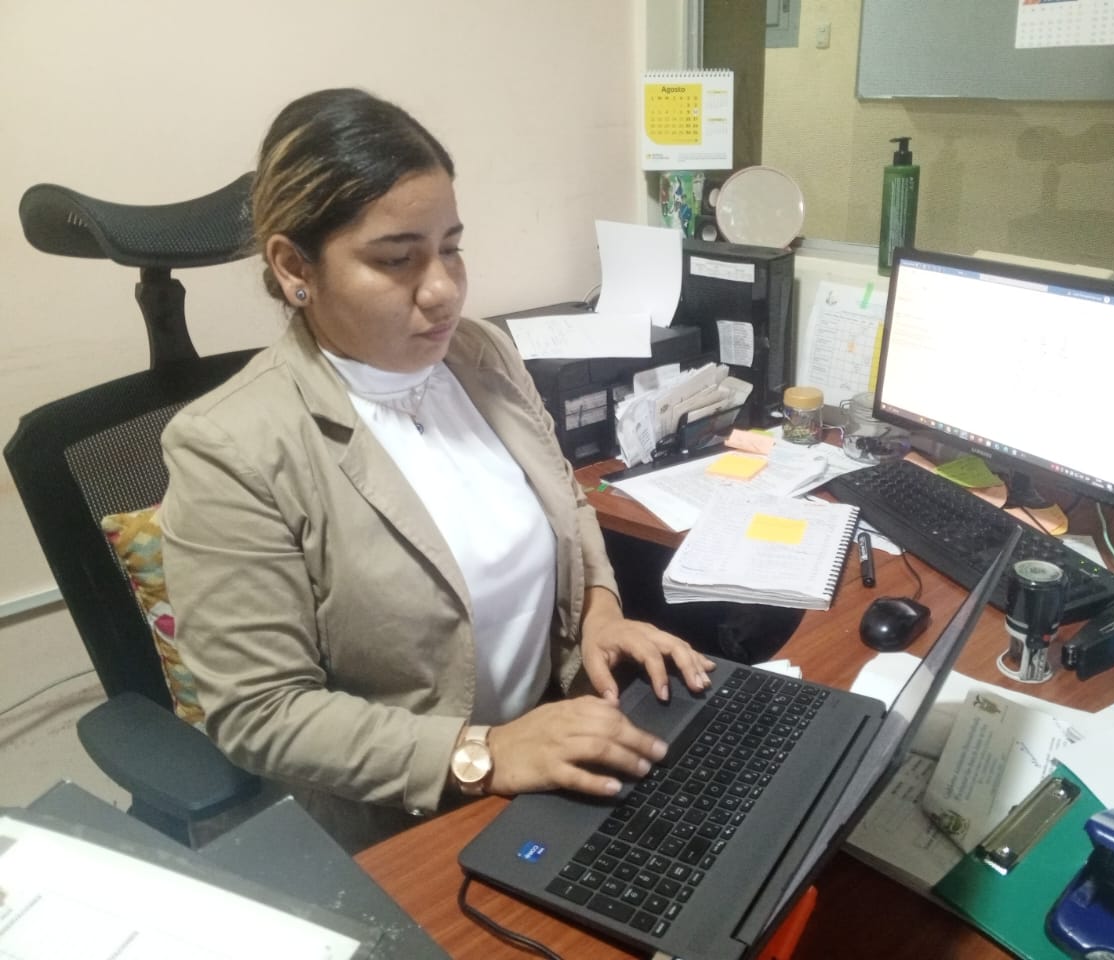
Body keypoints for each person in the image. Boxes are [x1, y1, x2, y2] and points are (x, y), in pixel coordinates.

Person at [159, 87, 715, 852]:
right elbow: (261, 712)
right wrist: (486, 751)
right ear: (294, 266)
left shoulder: (480, 354)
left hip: (555, 752)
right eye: (397, 259)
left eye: (451, 247)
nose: (443, 289)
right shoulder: (230, 447)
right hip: (407, 824)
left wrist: (601, 612)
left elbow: (569, 503)